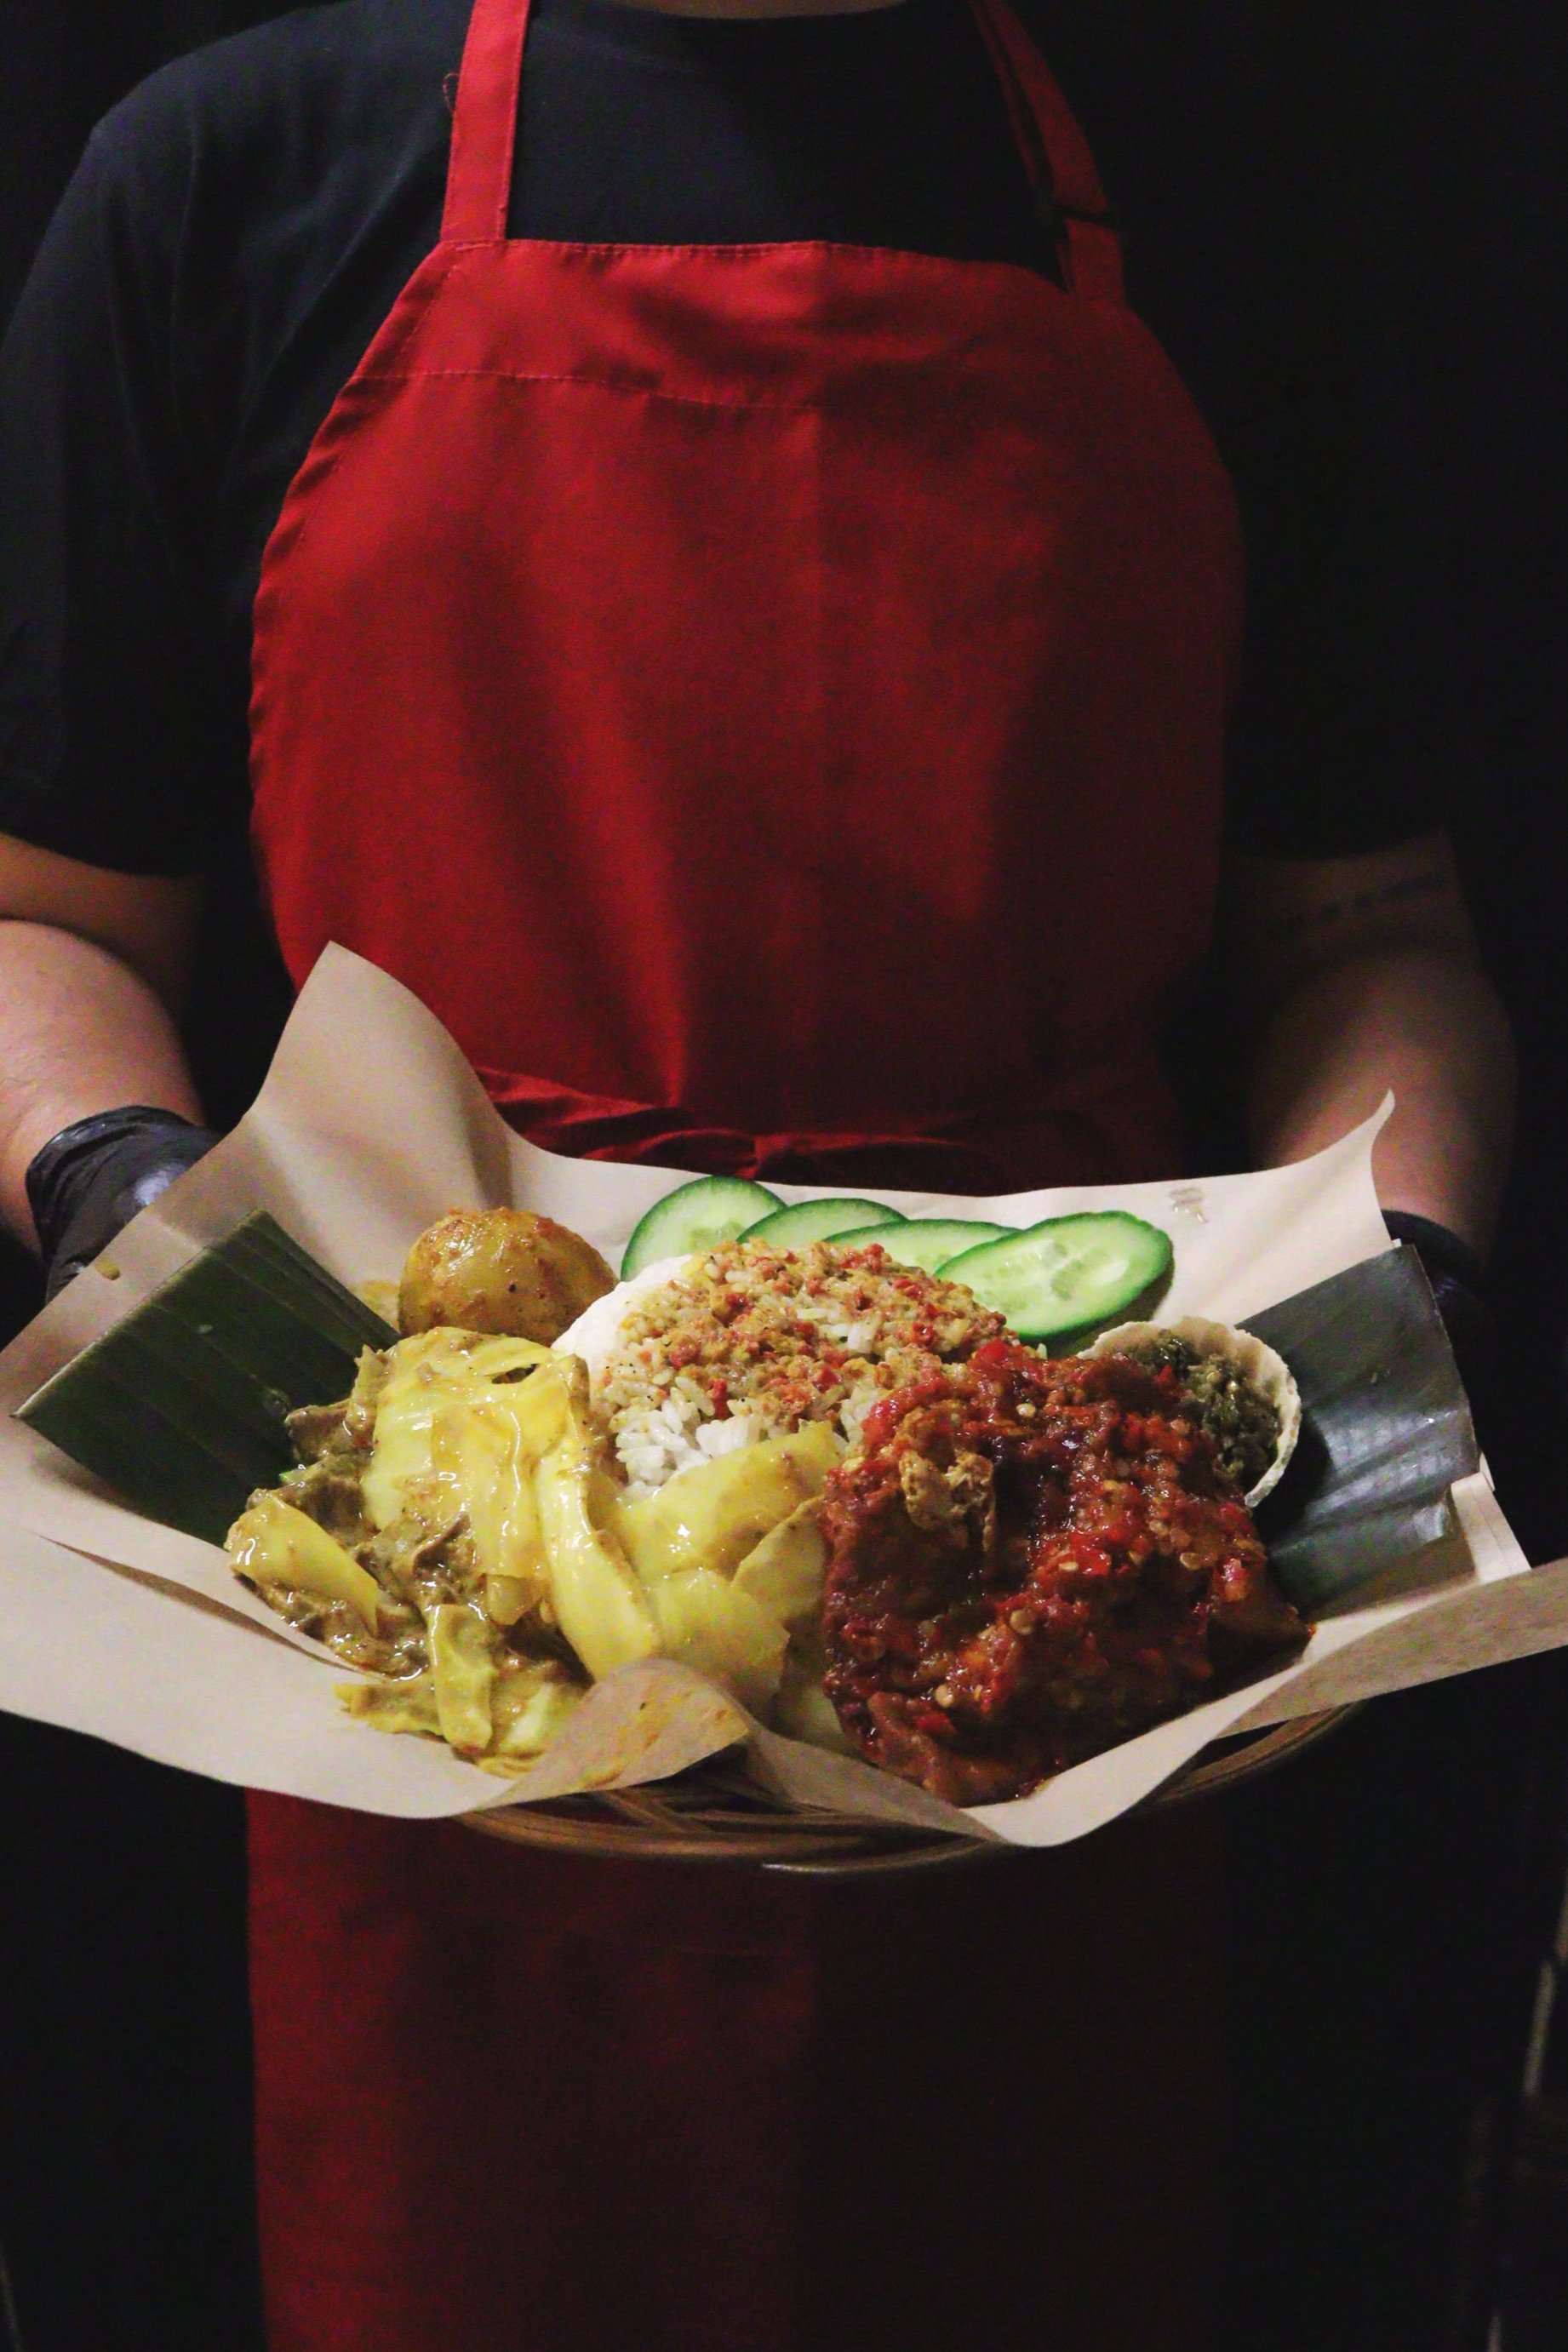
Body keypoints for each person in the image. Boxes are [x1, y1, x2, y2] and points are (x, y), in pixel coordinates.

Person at [0, 0, 1516, 2345]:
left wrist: (1377, 1310)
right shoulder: (231, 174)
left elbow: (1368, 930)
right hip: (418, 1652)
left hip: (1078, 1625)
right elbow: (52, 921)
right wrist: (146, 1221)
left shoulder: (1222, 175)